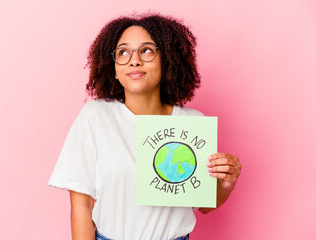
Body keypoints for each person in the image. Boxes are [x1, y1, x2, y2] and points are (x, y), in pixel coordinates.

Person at [48, 13, 242, 240]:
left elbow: (204, 204)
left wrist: (227, 183)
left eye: (147, 50)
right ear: (114, 69)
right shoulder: (96, 117)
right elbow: (81, 203)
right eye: (123, 52)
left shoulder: (193, 124)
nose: (134, 60)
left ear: (167, 59)